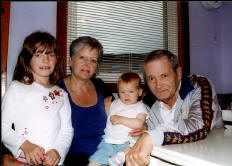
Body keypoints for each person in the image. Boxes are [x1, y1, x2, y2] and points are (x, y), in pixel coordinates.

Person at [125, 49, 224, 166]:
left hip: (211, 157)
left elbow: (200, 124)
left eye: (164, 75)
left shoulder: (199, 85)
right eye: (151, 78)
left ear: (178, 73)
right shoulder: (148, 101)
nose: (158, 85)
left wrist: (153, 136)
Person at [1, 31, 74, 166]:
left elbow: (67, 130)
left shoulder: (61, 94)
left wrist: (58, 151)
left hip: (54, 162)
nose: (46, 60)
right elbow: (3, 126)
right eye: (38, 55)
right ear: (28, 59)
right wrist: (25, 145)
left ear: (57, 58)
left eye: (51, 55)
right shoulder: (17, 88)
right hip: (24, 160)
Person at [60, 36, 114, 166]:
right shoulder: (55, 90)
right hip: (74, 160)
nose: (87, 64)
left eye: (93, 60)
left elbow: (121, 113)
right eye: (82, 57)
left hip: (109, 155)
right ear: (70, 61)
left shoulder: (100, 86)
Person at [88, 72, 148, 166]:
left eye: (131, 92)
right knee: (95, 160)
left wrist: (121, 119)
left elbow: (139, 123)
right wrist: (108, 108)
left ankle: (120, 157)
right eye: (122, 92)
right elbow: (111, 118)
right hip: (108, 141)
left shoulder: (140, 107)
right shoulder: (116, 103)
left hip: (127, 143)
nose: (126, 95)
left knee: (135, 147)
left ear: (139, 92)